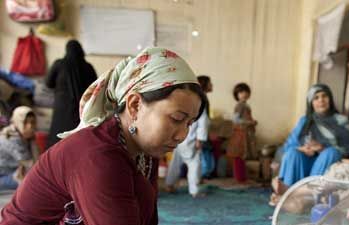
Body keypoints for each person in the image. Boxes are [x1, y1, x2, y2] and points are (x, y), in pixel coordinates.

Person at [0, 47, 205, 225]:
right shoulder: (97, 155)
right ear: (135, 105)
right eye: (177, 118)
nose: (183, 135)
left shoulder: (143, 150)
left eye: (189, 123)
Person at [271, 84, 349, 204]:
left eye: (324, 96)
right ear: (311, 102)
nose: (321, 100)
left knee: (331, 152)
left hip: (325, 164)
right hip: (306, 163)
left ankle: (307, 197)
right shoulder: (305, 121)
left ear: (330, 99)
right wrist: (301, 149)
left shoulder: (341, 120)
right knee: (292, 153)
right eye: (316, 98)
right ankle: (288, 196)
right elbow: (288, 146)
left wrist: (322, 148)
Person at [165, 75, 212, 197]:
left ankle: (170, 184)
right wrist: (200, 139)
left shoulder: (185, 101)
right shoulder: (201, 102)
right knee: (194, 164)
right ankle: (194, 190)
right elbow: (203, 122)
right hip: (190, 140)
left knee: (175, 163)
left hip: (181, 139)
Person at [46, 40, 97, 148]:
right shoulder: (88, 67)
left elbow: (48, 83)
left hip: (62, 107)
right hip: (82, 108)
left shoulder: (59, 64)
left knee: (57, 135)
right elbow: (96, 88)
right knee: (78, 140)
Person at [0, 106, 37, 191]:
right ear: (17, 122)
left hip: (11, 171)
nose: (30, 126)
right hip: (3, 175)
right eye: (25, 122)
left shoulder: (23, 135)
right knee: (32, 182)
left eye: (32, 122)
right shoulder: (10, 137)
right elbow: (31, 164)